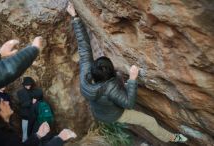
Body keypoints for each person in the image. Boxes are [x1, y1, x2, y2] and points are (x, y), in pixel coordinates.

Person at [67, 2, 187, 143]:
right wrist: (132, 79)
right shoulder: (111, 88)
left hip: (100, 111)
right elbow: (129, 104)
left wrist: (75, 18)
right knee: (149, 121)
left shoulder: (86, 76)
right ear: (109, 75)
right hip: (115, 115)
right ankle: (173, 138)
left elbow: (83, 47)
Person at [0, 95, 77, 146]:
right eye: (3, 103)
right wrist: (59, 138)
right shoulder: (1, 138)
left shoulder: (2, 132)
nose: (7, 102)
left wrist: (38, 135)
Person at [17, 76, 39, 142]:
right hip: (25, 116)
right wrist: (31, 102)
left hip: (31, 116)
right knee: (25, 134)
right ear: (25, 84)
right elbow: (22, 104)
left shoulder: (30, 91)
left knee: (30, 133)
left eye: (30, 84)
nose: (30, 85)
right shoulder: (20, 92)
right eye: (28, 84)